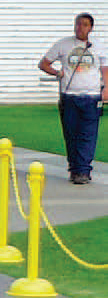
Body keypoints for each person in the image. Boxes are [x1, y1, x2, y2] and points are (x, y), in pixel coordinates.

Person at [39, 11, 108, 184]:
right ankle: (74, 167)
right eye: (78, 24)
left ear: (91, 28)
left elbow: (105, 69)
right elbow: (44, 63)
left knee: (88, 134)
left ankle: (83, 171)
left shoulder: (98, 46)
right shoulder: (63, 44)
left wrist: (106, 88)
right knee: (71, 134)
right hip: (69, 96)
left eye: (85, 24)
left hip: (91, 96)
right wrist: (57, 73)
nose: (80, 28)